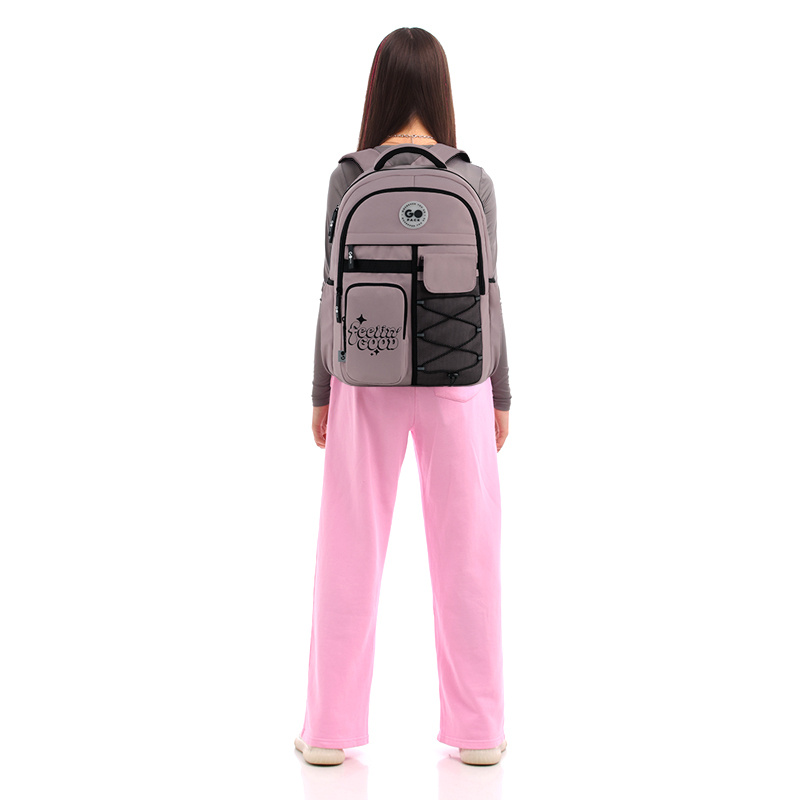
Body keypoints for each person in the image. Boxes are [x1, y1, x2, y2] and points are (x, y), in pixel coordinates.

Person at [295, 27, 511, 767]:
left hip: (366, 377)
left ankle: (328, 731)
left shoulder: (348, 176)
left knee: (348, 547)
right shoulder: (474, 180)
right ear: (441, 90)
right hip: (460, 379)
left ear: (380, 88)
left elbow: (330, 293)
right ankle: (479, 732)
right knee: (469, 554)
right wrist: (501, 393)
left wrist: (321, 389)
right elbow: (490, 295)